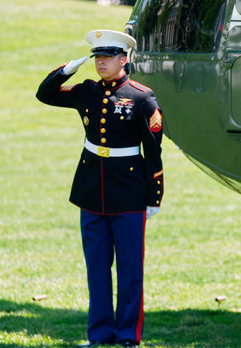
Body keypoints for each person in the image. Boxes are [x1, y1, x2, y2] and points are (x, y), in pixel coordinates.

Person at [36, 29, 164, 347]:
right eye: (98, 58)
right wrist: (69, 68)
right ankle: (100, 334)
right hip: (91, 191)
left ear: (124, 59)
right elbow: (45, 94)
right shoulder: (88, 91)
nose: (101, 63)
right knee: (97, 269)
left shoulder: (141, 97)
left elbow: (153, 150)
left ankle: (128, 336)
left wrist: (154, 196)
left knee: (130, 271)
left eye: (107, 57)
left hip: (130, 194)